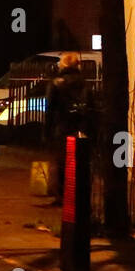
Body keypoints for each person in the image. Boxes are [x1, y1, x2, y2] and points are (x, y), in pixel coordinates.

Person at [46, 52, 88, 201]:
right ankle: (78, 193)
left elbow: (50, 108)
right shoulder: (83, 82)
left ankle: (63, 194)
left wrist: (47, 130)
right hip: (79, 125)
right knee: (79, 160)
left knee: (62, 161)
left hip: (62, 124)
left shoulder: (57, 82)